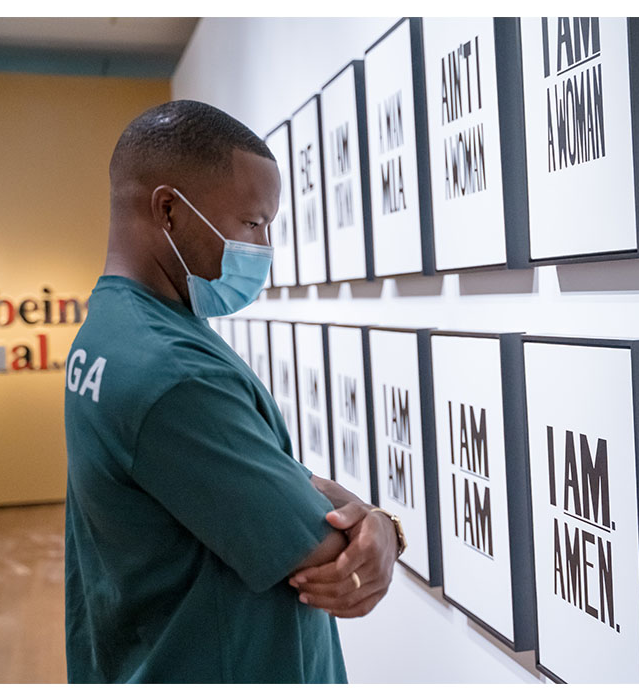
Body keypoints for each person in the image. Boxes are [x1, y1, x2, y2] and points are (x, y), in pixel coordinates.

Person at [63, 100, 403, 683]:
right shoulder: (172, 373)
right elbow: (329, 552)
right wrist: (383, 528)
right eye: (252, 223)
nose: (264, 246)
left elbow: (268, 475)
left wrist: (324, 497)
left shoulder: (115, 329)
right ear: (168, 210)